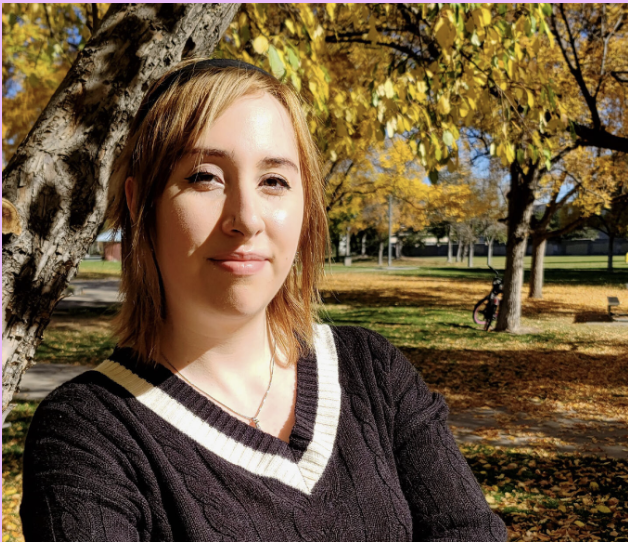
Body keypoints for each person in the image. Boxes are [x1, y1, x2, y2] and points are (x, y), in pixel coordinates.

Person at [20, 58, 507, 542]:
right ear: (138, 202)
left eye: (274, 180)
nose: (246, 218)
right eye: (205, 177)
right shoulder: (88, 434)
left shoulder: (373, 372)